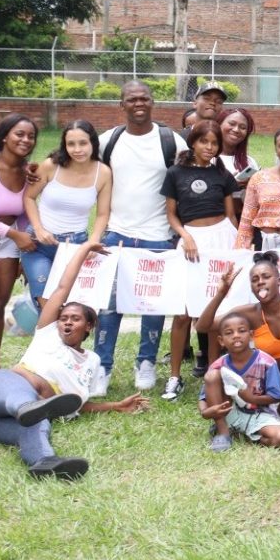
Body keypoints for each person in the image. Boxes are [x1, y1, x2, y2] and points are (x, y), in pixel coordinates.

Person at [0, 240, 148, 480]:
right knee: (25, 402)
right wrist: (84, 249)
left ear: (89, 326)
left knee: (38, 425)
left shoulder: (92, 361)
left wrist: (116, 406)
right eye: (64, 318)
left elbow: (76, 405)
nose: (67, 322)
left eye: (75, 319)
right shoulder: (47, 333)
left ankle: (45, 461)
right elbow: (62, 287)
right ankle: (25, 406)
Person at [96, 82, 188, 394]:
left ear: (152, 102)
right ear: (121, 104)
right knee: (109, 306)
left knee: (153, 305)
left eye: (144, 98)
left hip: (158, 236)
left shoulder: (170, 140)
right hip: (117, 235)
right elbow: (80, 165)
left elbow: (186, 179)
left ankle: (146, 362)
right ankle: (102, 366)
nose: (139, 103)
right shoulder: (109, 140)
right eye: (132, 99)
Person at [162, 119, 239, 400]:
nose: (209, 147)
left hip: (222, 240)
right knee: (183, 312)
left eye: (214, 143)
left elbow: (231, 216)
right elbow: (172, 214)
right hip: (191, 242)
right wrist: (186, 236)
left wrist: (237, 245)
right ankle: (174, 377)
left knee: (218, 311)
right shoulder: (175, 173)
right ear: (192, 142)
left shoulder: (222, 174)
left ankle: (214, 375)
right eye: (204, 141)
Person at [21, 120, 112, 309]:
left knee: (69, 305)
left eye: (83, 143)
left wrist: (92, 241)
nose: (77, 149)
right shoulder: (51, 166)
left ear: (93, 143)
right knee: (45, 302)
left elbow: (103, 213)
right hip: (39, 244)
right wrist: (38, 229)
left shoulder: (103, 173)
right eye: (71, 144)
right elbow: (29, 197)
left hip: (75, 246)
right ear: (65, 145)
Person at [197, 253, 280, 384]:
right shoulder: (247, 314)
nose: (260, 282)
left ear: (278, 281)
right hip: (263, 379)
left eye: (266, 277)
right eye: (254, 280)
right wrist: (222, 293)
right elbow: (203, 326)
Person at [198, 312, 280, 452]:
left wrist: (252, 399)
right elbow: (203, 397)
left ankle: (242, 434)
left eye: (241, 331)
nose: (236, 335)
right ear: (221, 340)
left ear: (251, 335)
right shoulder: (218, 365)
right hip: (227, 411)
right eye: (229, 333)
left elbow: (276, 396)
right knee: (211, 376)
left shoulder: (267, 362)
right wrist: (205, 412)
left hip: (259, 414)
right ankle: (223, 432)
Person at [216, 109, 258, 200]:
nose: (236, 130)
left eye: (243, 127)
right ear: (219, 124)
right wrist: (231, 185)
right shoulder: (207, 159)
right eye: (232, 124)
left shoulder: (250, 162)